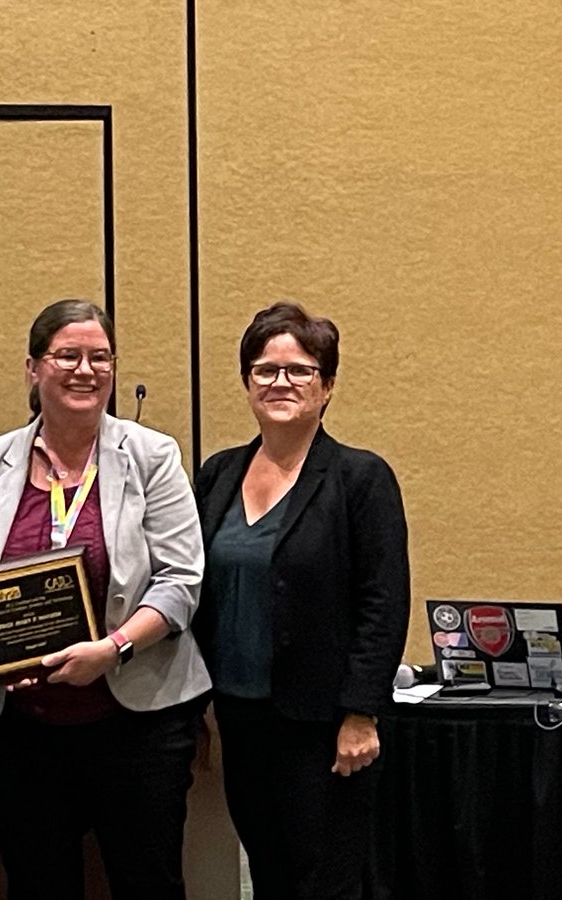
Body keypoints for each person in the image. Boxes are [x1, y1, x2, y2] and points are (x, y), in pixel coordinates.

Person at [0, 299, 210, 900]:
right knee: (36, 881)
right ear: (33, 368)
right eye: (67, 356)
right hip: (23, 724)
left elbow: (182, 580)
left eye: (100, 358)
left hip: (137, 718)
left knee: (147, 880)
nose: (85, 370)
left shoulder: (152, 456)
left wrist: (113, 648)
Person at [193, 301, 410, 899]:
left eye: (299, 370)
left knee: (326, 881)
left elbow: (383, 603)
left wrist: (362, 713)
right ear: (246, 383)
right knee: (268, 872)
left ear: (328, 386)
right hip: (239, 716)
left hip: (324, 724)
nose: (280, 382)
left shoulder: (360, 478)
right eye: (264, 369)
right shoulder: (217, 474)